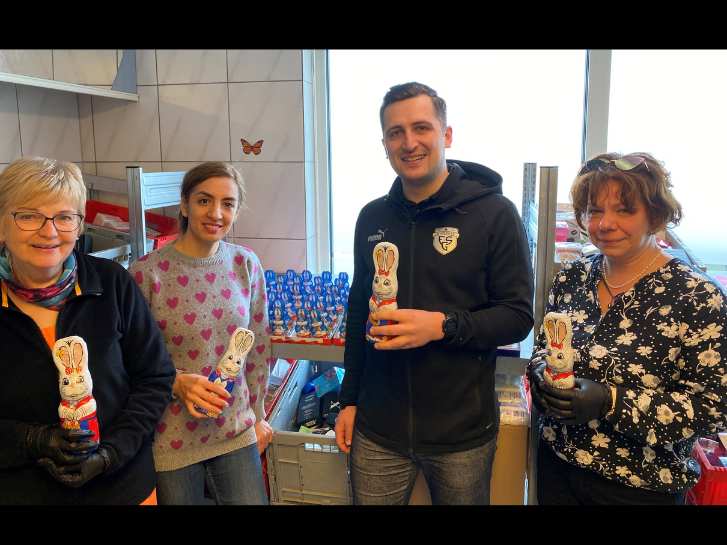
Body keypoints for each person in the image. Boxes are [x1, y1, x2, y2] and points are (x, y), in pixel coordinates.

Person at [335, 82, 534, 505]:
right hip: (378, 428)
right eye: (395, 132)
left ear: (446, 134)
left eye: (421, 127)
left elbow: (517, 314)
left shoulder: (494, 214)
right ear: (384, 143)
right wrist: (348, 400)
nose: (409, 142)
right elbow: (358, 313)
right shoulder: (372, 216)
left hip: (461, 433)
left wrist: (442, 326)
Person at [528, 152, 727, 505]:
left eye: (624, 210)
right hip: (558, 468)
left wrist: (610, 401)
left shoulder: (697, 296)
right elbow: (546, 346)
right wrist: (543, 374)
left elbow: (711, 408)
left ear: (655, 215)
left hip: (640, 487)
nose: (605, 224)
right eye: (594, 210)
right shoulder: (573, 277)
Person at [0, 157, 175, 505]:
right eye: (29, 215)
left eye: (64, 217)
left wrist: (111, 454)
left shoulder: (111, 284)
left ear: (79, 226)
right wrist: (32, 440)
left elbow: (155, 378)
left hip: (123, 489)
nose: (49, 231)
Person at [130, 161, 273, 505]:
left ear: (237, 211)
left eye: (228, 204)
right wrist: (176, 382)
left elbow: (258, 348)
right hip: (170, 437)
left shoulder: (246, 264)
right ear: (184, 205)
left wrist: (259, 416)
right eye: (204, 201)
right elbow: (130, 360)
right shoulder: (146, 275)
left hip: (236, 431)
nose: (216, 213)